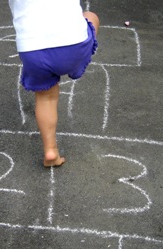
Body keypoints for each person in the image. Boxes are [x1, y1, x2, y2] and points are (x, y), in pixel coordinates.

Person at [8, 0, 99, 167]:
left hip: (32, 49)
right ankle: (77, 64)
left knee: (45, 98)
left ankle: (50, 150)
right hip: (74, 44)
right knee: (91, 16)